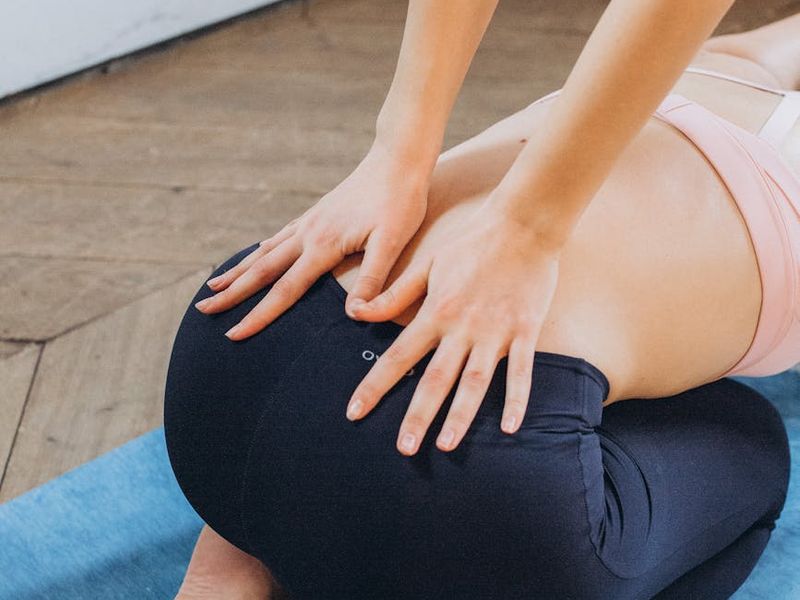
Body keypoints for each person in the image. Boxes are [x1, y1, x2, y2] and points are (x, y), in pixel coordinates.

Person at [164, 2, 799, 598]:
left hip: (228, 378)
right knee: (748, 440)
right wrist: (526, 232)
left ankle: (238, 558)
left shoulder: (711, 68)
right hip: (487, 514)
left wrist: (399, 151)